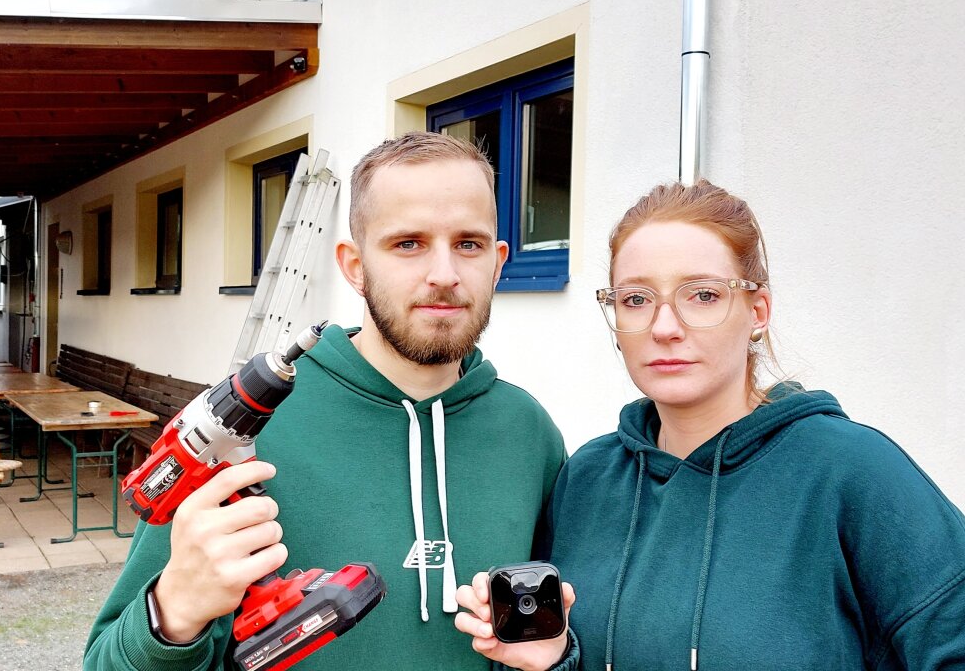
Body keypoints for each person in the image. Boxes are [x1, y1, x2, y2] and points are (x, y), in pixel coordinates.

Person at [84, 131, 568, 670]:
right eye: (408, 243)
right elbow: (104, 662)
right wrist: (172, 612)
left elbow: (554, 644)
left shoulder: (530, 435)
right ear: (355, 266)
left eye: (468, 244)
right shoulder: (242, 429)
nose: (444, 275)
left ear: (499, 262)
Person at [456, 179, 965, 669]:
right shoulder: (588, 478)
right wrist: (555, 663)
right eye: (635, 299)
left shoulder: (852, 471)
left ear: (758, 310)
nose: (664, 327)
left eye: (702, 295)